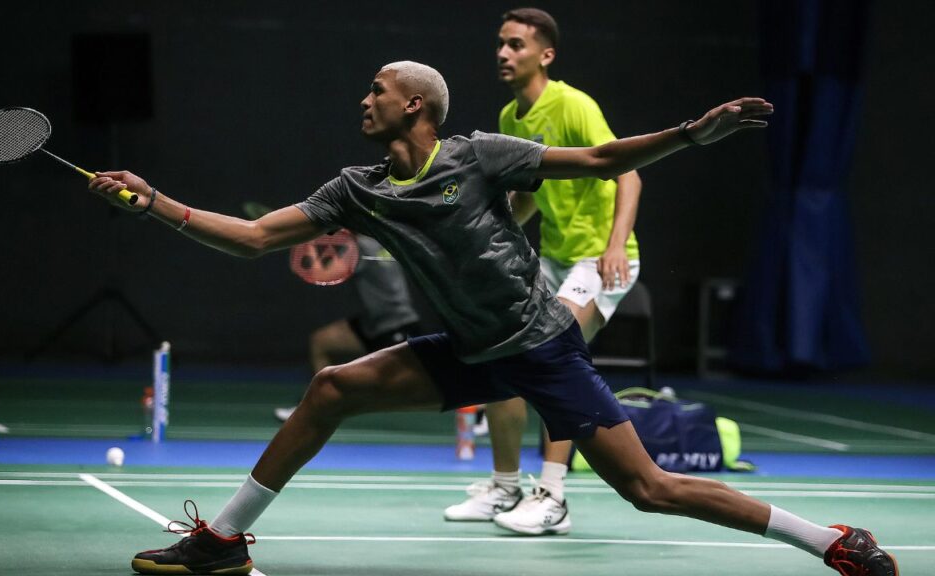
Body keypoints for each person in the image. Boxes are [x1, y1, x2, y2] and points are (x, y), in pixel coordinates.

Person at [88, 62, 895, 576]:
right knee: (332, 388)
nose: (363, 98)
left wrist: (690, 135)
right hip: (468, 348)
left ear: (416, 105)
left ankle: (831, 543)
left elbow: (604, 162)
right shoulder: (357, 188)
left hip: (542, 346)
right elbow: (256, 238)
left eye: (376, 90)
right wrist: (156, 203)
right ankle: (222, 542)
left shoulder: (481, 154)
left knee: (648, 488)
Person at [444, 7, 643, 536]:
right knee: (503, 353)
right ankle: (504, 486)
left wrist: (616, 245)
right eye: (501, 44)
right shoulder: (511, 119)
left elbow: (629, 175)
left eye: (515, 45)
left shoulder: (573, 104)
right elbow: (528, 200)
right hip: (554, 255)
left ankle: (552, 495)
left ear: (545, 55)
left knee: (556, 359)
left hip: (601, 256)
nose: (503, 54)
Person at [274, 233, 422, 422]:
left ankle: (471, 411)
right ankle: (318, 405)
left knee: (415, 389)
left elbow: (319, 274)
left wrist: (305, 242)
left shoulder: (360, 246)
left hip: (395, 327)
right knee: (322, 342)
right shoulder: (383, 239)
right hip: (373, 324)